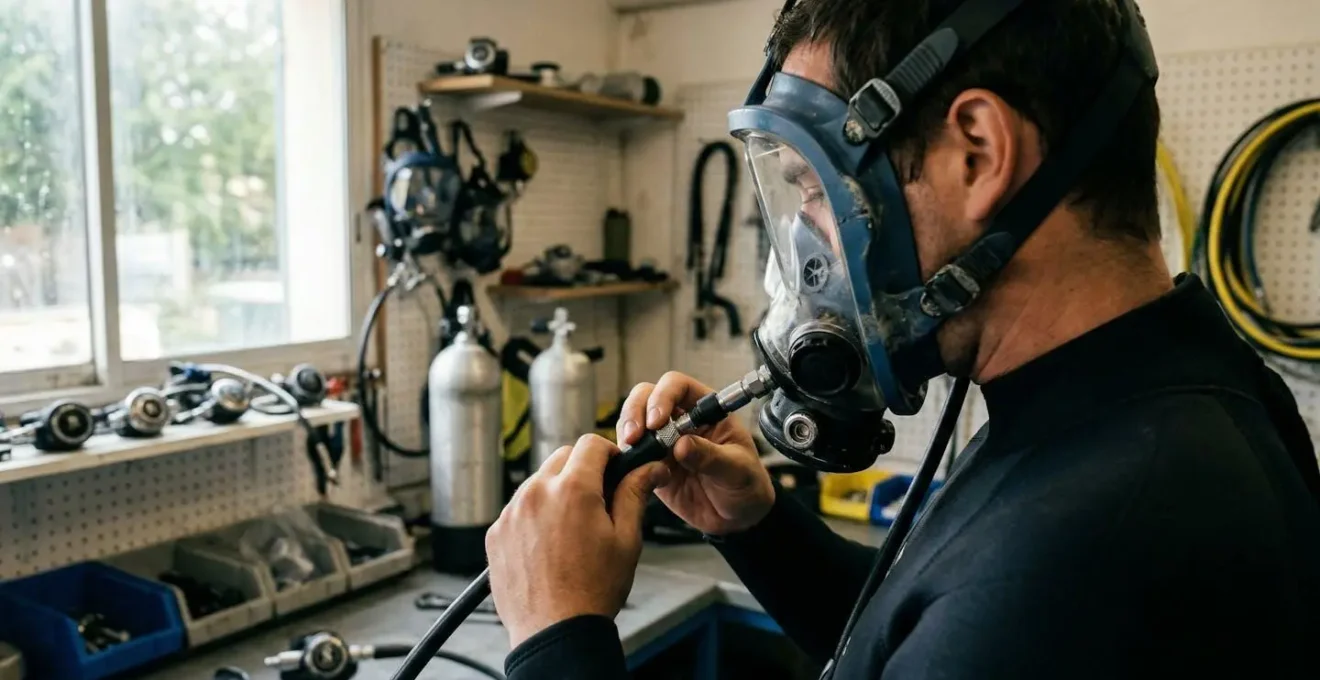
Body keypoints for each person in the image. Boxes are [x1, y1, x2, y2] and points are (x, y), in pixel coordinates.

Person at [484, 0, 1320, 677]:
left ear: (976, 155)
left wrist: (559, 640)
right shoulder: (1134, 406)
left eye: (815, 187)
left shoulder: (1102, 544)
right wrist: (755, 526)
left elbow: (1003, 610)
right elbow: (928, 629)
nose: (808, 242)